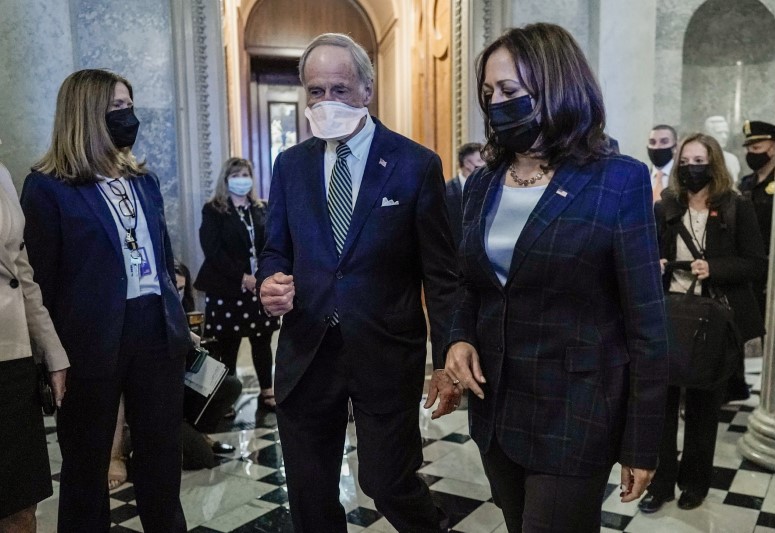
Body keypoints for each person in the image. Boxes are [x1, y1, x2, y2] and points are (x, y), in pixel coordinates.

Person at [441, 24, 669, 532]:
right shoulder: (481, 183)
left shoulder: (617, 179)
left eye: (511, 92)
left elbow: (647, 325)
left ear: (557, 86)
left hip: (577, 412)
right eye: (488, 94)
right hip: (496, 409)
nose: (496, 104)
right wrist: (457, 337)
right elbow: (469, 284)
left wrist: (643, 441)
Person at [258, 33, 460, 532]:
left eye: (339, 89)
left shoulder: (416, 165)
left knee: (386, 479)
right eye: (316, 92)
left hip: (386, 351)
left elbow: (440, 274)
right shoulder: (291, 165)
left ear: (367, 90)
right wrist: (270, 282)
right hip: (307, 350)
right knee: (309, 493)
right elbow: (276, 248)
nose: (326, 102)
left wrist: (447, 355)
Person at [20, 69, 193, 532]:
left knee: (161, 463)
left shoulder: (144, 182)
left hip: (155, 336)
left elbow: (161, 259)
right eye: (117, 108)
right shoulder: (47, 188)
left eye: (128, 105)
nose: (128, 116)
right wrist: (50, 357)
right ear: (86, 114)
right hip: (87, 342)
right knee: (86, 470)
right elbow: (41, 281)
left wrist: (178, 322)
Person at [640, 133, 766, 513]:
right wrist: (656, 264)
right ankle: (659, 483)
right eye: (686, 160)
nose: (692, 167)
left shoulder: (735, 207)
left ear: (713, 163)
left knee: (703, 407)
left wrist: (714, 267)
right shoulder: (666, 206)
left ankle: (694, 483)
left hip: (711, 320)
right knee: (659, 406)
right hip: (668, 313)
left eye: (700, 159)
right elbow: (646, 251)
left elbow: (755, 264)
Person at [0, 159, 69, 533]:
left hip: (11, 360)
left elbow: (22, 275)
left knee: (20, 508)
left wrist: (51, 351)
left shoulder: (2, 175)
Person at [194, 157, 280, 410]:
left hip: (257, 287)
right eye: (236, 175)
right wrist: (244, 278)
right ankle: (225, 398)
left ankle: (267, 390)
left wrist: (262, 277)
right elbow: (213, 251)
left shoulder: (260, 208)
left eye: (245, 174)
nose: (242, 179)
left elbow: (270, 244)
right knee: (227, 344)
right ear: (226, 179)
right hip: (227, 287)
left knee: (262, 340)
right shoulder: (214, 210)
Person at [738, 120, 775, 325]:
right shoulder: (746, 183)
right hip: (749, 266)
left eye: (757, 148)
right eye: (748, 149)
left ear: (773, 148)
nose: (751, 154)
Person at [445, 142, 484, 248]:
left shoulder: (489, 186)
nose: (484, 165)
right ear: (467, 163)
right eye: (480, 161)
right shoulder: (446, 191)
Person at [703, 116, 741, 183]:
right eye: (719, 133)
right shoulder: (699, 158)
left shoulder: (732, 159)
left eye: (726, 133)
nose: (724, 137)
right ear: (708, 134)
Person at [647, 124, 678, 204]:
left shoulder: (681, 176)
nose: (657, 147)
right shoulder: (641, 177)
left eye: (664, 142)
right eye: (652, 142)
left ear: (675, 147)